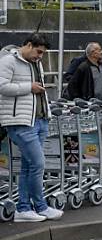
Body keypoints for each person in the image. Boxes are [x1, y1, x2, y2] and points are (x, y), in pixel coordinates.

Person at [0, 34, 63, 222]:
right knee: (37, 163)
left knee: (30, 165)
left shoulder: (35, 62)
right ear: (28, 45)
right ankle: (39, 206)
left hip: (38, 119)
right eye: (38, 52)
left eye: (42, 53)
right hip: (21, 121)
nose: (40, 56)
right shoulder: (8, 61)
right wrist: (29, 87)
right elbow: (2, 86)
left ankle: (24, 209)